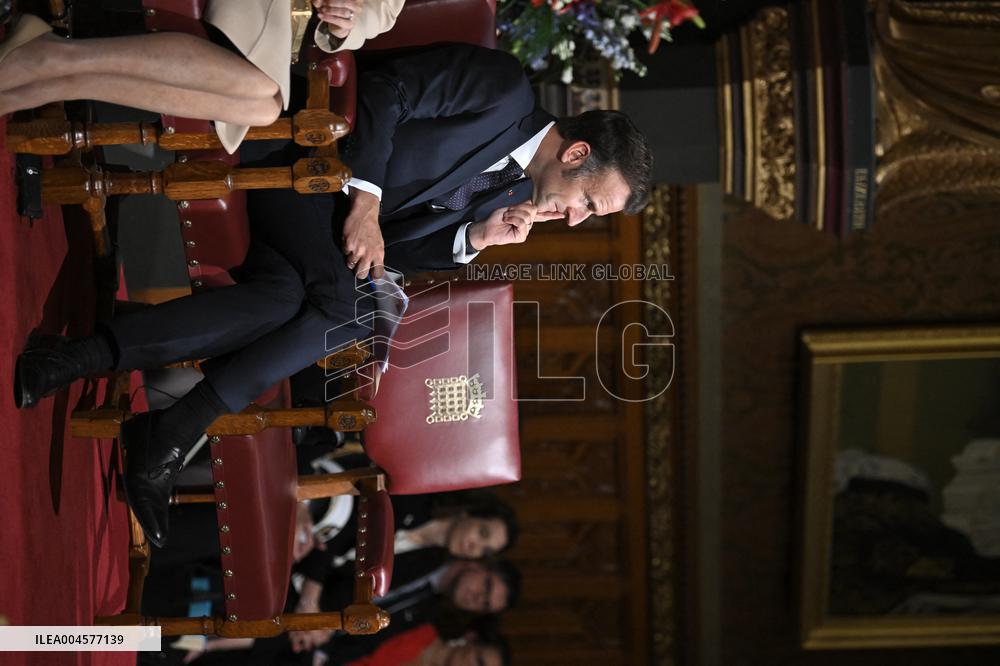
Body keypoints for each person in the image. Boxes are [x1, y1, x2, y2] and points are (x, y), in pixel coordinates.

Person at [14, 43, 654, 548]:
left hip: (319, 241)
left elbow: (391, 250)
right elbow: (385, 90)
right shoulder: (503, 88)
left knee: (283, 303)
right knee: (344, 314)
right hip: (307, 160)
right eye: (589, 205)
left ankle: (82, 358)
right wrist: (368, 203)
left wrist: (471, 239)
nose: (574, 220)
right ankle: (171, 431)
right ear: (575, 153)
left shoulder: (512, 196)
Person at [0, 0, 405, 152]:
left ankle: (54, 74)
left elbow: (381, 14)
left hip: (285, 28)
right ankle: (50, 62)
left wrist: (344, 22)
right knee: (262, 91)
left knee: (265, 108)